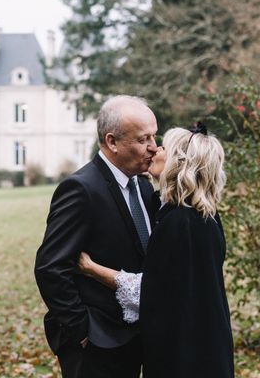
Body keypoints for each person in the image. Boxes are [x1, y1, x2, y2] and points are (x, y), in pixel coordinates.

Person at [78, 125, 234, 378]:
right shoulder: (201, 215)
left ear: (178, 162)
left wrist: (91, 269)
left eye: (163, 147)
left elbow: (151, 293)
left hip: (185, 353)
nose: (154, 149)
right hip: (204, 342)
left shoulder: (179, 222)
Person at [34, 95, 160, 378]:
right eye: (143, 139)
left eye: (154, 136)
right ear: (112, 141)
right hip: (96, 344)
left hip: (139, 338)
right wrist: (81, 329)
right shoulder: (80, 189)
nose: (154, 147)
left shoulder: (144, 185)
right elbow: (50, 267)